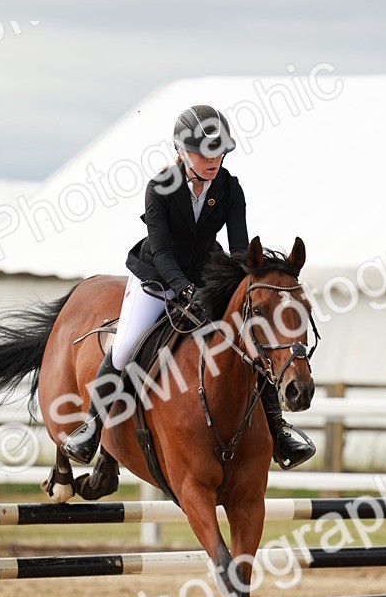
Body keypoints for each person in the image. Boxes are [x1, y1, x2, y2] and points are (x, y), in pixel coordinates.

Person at [61, 104, 316, 469]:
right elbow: (163, 252)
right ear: (182, 152)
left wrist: (244, 283)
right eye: (203, 152)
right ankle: (91, 427)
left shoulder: (229, 188)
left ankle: (279, 429)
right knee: (125, 346)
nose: (213, 159)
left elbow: (241, 248)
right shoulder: (159, 189)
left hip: (207, 277)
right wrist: (182, 289)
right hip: (155, 278)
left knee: (249, 340)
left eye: (219, 152)